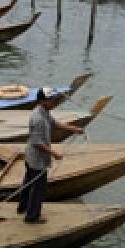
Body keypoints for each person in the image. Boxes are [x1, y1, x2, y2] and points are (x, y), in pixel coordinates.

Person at [17, 87, 84, 223]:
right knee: (38, 189)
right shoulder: (38, 119)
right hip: (37, 160)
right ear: (42, 101)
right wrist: (54, 153)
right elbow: (37, 143)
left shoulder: (44, 112)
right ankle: (32, 217)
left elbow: (54, 124)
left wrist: (73, 129)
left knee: (28, 184)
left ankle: (22, 207)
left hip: (32, 157)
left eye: (53, 99)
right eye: (50, 99)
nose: (53, 101)